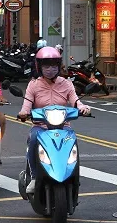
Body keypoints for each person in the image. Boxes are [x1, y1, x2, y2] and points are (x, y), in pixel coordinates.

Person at [17, 47, 90, 195]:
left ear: (58, 66)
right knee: (32, 140)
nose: (50, 69)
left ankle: (73, 176)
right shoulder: (34, 84)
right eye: (46, 66)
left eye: (53, 65)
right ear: (39, 67)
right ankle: (34, 178)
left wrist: (83, 108)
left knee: (72, 141)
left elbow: (75, 101)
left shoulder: (66, 83)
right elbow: (27, 105)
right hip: (41, 127)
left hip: (63, 126)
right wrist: (24, 112)